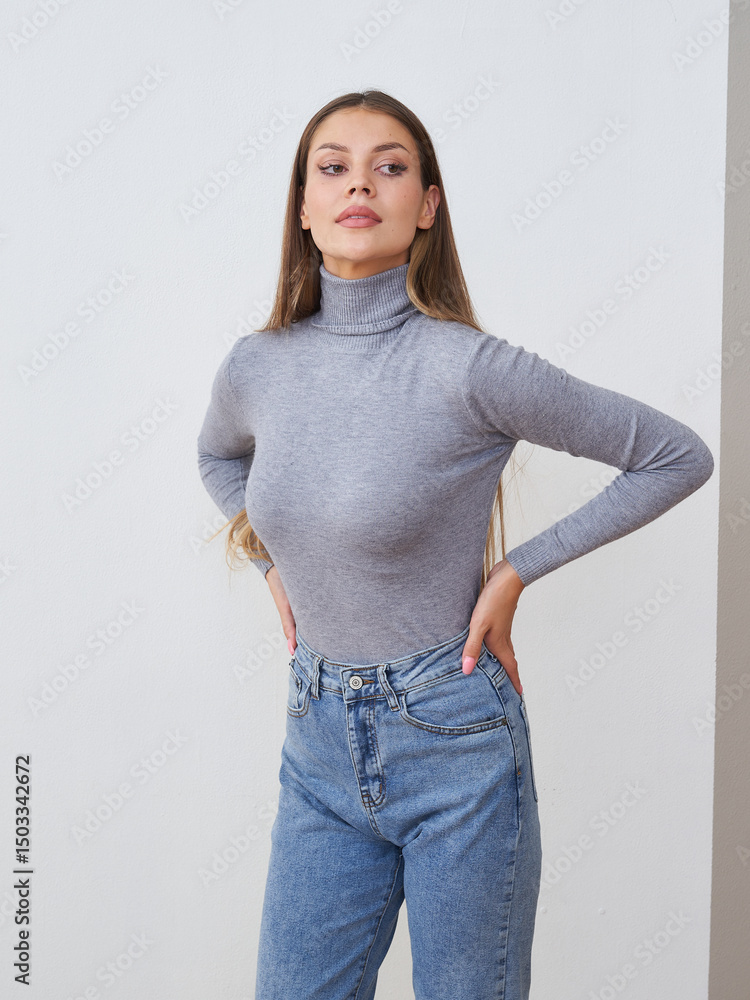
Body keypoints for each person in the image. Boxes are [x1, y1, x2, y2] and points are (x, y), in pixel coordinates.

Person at [196, 90, 714, 1000]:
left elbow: (676, 456)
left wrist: (516, 572)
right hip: (316, 742)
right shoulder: (257, 366)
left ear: (427, 205)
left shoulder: (469, 367)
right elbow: (217, 458)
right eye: (333, 167)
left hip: (456, 741)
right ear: (304, 207)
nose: (360, 184)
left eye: (390, 167)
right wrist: (272, 562)